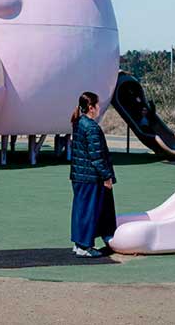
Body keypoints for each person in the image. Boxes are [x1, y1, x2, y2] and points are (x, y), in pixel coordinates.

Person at [69, 91, 117, 257]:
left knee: (80, 210)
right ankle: (85, 246)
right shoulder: (91, 127)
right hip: (90, 177)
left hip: (79, 175)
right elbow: (97, 156)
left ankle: (79, 243)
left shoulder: (79, 123)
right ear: (91, 108)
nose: (99, 108)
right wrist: (106, 176)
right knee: (89, 211)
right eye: (97, 105)